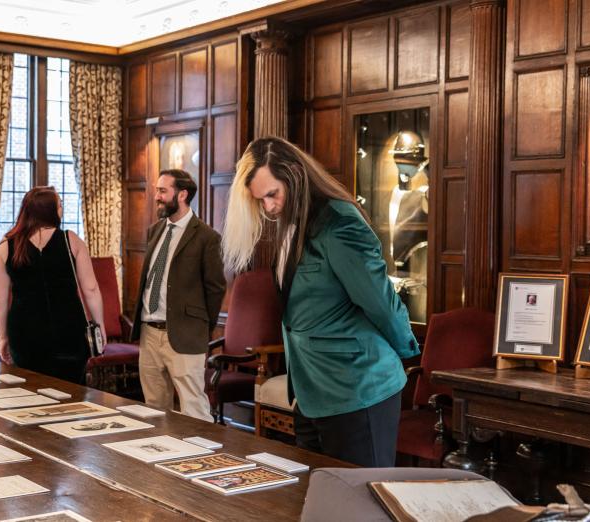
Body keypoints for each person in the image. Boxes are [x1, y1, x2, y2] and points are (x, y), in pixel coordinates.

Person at [222, 136, 419, 467]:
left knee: (359, 503)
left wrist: (408, 354)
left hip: (359, 387)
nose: (268, 207)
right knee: (318, 498)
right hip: (311, 391)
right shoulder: (289, 225)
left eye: (273, 194)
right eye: (261, 200)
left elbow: (380, 302)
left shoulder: (338, 222)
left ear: (296, 175)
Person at [131, 169, 226, 422]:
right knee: (153, 408)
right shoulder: (155, 231)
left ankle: (204, 460)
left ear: (182, 194)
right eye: (156, 190)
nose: (157, 196)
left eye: (163, 191)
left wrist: (201, 327)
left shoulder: (207, 237)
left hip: (185, 334)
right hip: (149, 333)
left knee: (193, 407)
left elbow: (215, 288)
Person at [0, 186, 106, 384]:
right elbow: (91, 289)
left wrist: (3, 337)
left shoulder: (6, 245)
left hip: (24, 331)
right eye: (60, 205)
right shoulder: (71, 240)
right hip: (69, 330)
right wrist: (100, 324)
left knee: (30, 390)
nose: (62, 210)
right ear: (48, 210)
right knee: (72, 391)